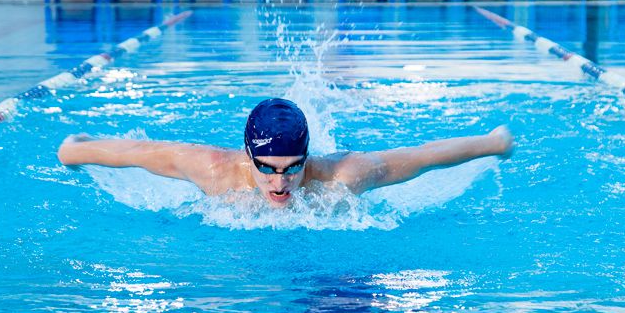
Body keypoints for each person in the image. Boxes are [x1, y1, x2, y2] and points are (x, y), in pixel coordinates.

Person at [58, 98, 513, 208]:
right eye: (268, 169)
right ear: (248, 156)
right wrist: (74, 151)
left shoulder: (343, 176)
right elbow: (138, 151)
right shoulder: (215, 170)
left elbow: (424, 155)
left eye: (293, 169)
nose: (280, 184)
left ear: (308, 158)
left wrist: (494, 144)